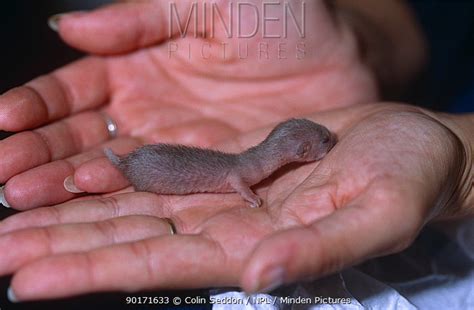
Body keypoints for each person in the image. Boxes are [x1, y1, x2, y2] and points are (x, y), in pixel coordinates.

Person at [0, 0, 472, 303]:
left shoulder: (264, 155)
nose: (327, 147)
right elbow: (237, 177)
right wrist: (361, 37)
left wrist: (464, 161)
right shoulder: (256, 163)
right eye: (320, 144)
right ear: (300, 152)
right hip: (151, 169)